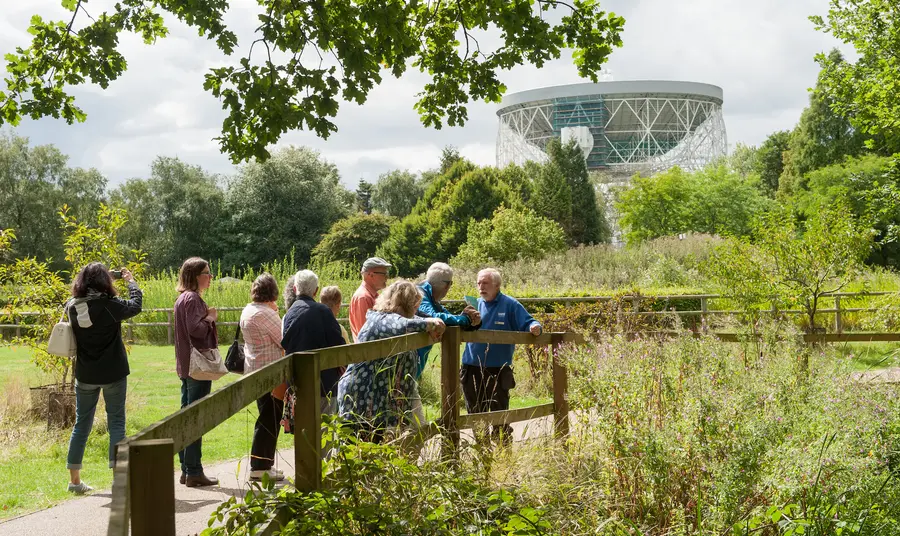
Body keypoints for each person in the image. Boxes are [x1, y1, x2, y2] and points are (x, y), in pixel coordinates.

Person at [65, 263, 142, 494]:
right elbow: (136, 305)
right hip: (113, 373)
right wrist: (131, 282)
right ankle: (119, 480)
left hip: (86, 374)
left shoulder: (71, 306)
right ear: (105, 281)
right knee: (116, 422)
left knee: (81, 425)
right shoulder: (110, 305)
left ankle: (75, 481)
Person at [338, 281, 445, 442]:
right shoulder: (381, 318)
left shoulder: (400, 318)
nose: (417, 309)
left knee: (377, 446)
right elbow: (403, 325)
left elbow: (414, 321)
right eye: (415, 304)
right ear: (406, 303)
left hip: (377, 398)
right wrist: (430, 324)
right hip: (361, 395)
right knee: (356, 445)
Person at [461, 268, 542, 443]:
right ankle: (482, 453)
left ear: (497, 285)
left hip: (498, 369)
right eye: (479, 283)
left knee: (500, 416)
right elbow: (460, 327)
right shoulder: (473, 305)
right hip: (471, 368)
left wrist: (534, 327)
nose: (481, 287)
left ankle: (503, 454)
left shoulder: (510, 304)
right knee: (476, 414)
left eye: (485, 283)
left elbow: (529, 322)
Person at [174, 257, 219, 487]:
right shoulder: (192, 299)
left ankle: (186, 469)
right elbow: (196, 330)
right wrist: (210, 318)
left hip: (186, 366)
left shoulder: (182, 298)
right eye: (206, 273)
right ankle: (193, 470)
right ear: (195, 276)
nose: (210, 277)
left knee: (187, 416)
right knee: (196, 419)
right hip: (197, 367)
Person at [240, 273, 286, 482]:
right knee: (270, 419)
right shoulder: (266, 314)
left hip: (255, 369)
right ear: (272, 291)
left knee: (267, 416)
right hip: (270, 372)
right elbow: (284, 340)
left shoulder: (248, 310)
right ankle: (259, 466)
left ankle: (265, 463)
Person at [281, 270, 345, 414]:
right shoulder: (323, 312)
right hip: (324, 383)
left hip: (297, 382)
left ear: (295, 289)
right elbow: (339, 346)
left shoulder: (288, 315)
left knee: (302, 430)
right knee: (324, 430)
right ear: (316, 291)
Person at [416, 262, 481, 377]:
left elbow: (448, 317)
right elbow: (432, 316)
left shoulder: (429, 295)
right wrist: (465, 319)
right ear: (447, 285)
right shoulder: (420, 293)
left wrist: (470, 320)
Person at [348, 257, 391, 341]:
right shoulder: (363, 297)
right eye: (384, 274)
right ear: (371, 275)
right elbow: (364, 333)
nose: (387, 277)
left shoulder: (373, 295)